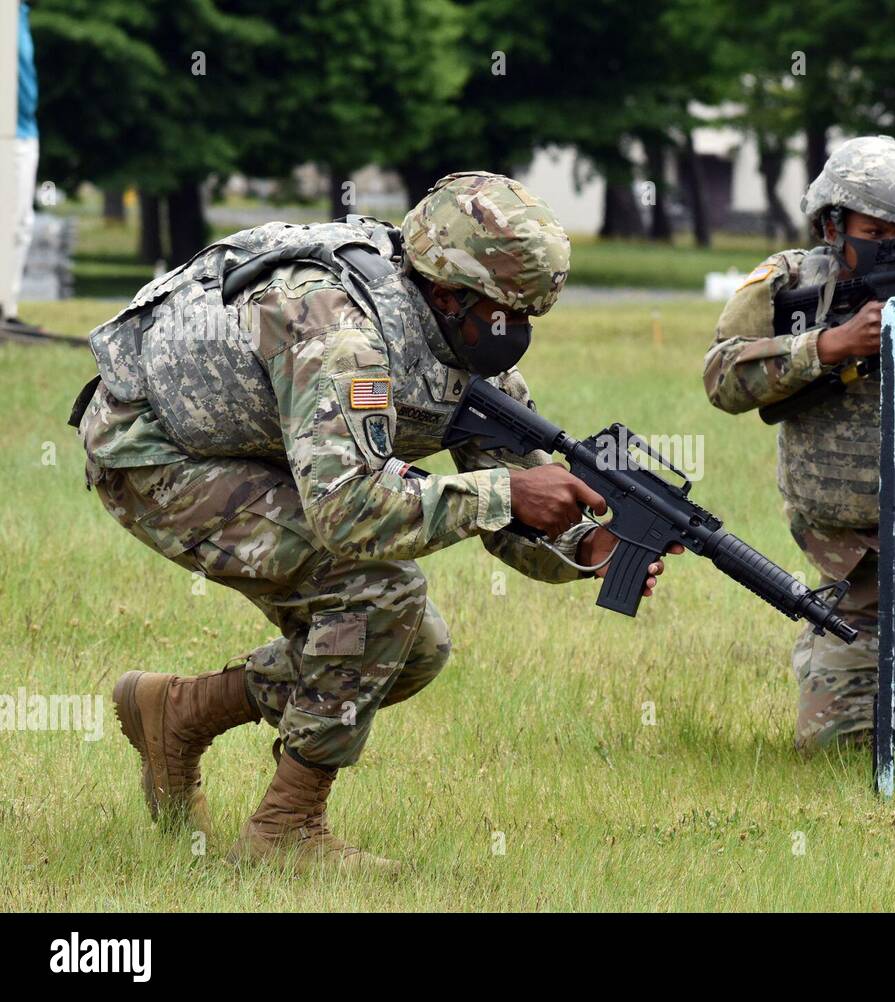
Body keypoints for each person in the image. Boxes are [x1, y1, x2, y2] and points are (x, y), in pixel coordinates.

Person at [75, 172, 677, 870]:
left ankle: (180, 712)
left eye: (530, 314)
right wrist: (508, 496)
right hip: (155, 453)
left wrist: (585, 544)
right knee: (378, 595)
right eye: (509, 311)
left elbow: (515, 508)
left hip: (259, 448)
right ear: (450, 291)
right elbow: (348, 514)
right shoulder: (343, 337)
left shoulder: (462, 345)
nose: (520, 332)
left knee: (413, 647)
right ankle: (286, 832)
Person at [702, 136, 895, 752]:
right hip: (853, 582)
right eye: (875, 230)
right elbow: (721, 378)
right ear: (832, 222)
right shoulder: (787, 281)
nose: (891, 246)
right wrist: (830, 346)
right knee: (834, 752)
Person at [3, 1, 39, 322]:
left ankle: (7, 307)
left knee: (21, 225)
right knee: (10, 224)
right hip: (9, 133)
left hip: (25, 131)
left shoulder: (20, 13)